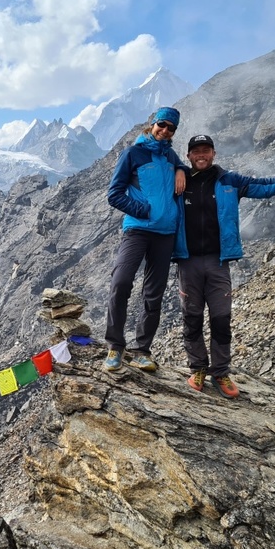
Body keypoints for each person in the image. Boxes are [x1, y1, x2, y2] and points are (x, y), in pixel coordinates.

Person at [176, 134, 275, 398]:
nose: (201, 155)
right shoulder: (180, 181)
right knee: (192, 317)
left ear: (213, 154)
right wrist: (177, 169)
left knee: (221, 318)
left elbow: (263, 186)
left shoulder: (230, 181)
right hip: (188, 263)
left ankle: (220, 372)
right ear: (188, 156)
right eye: (196, 151)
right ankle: (198, 367)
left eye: (206, 150)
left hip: (218, 261)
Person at [104, 107, 188, 373]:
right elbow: (114, 194)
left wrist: (181, 169)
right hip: (138, 229)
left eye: (171, 128)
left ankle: (141, 350)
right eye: (161, 125)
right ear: (152, 124)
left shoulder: (170, 156)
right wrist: (144, 211)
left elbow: (181, 165)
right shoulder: (133, 153)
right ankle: (115, 346)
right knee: (121, 282)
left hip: (165, 234)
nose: (165, 131)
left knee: (154, 293)